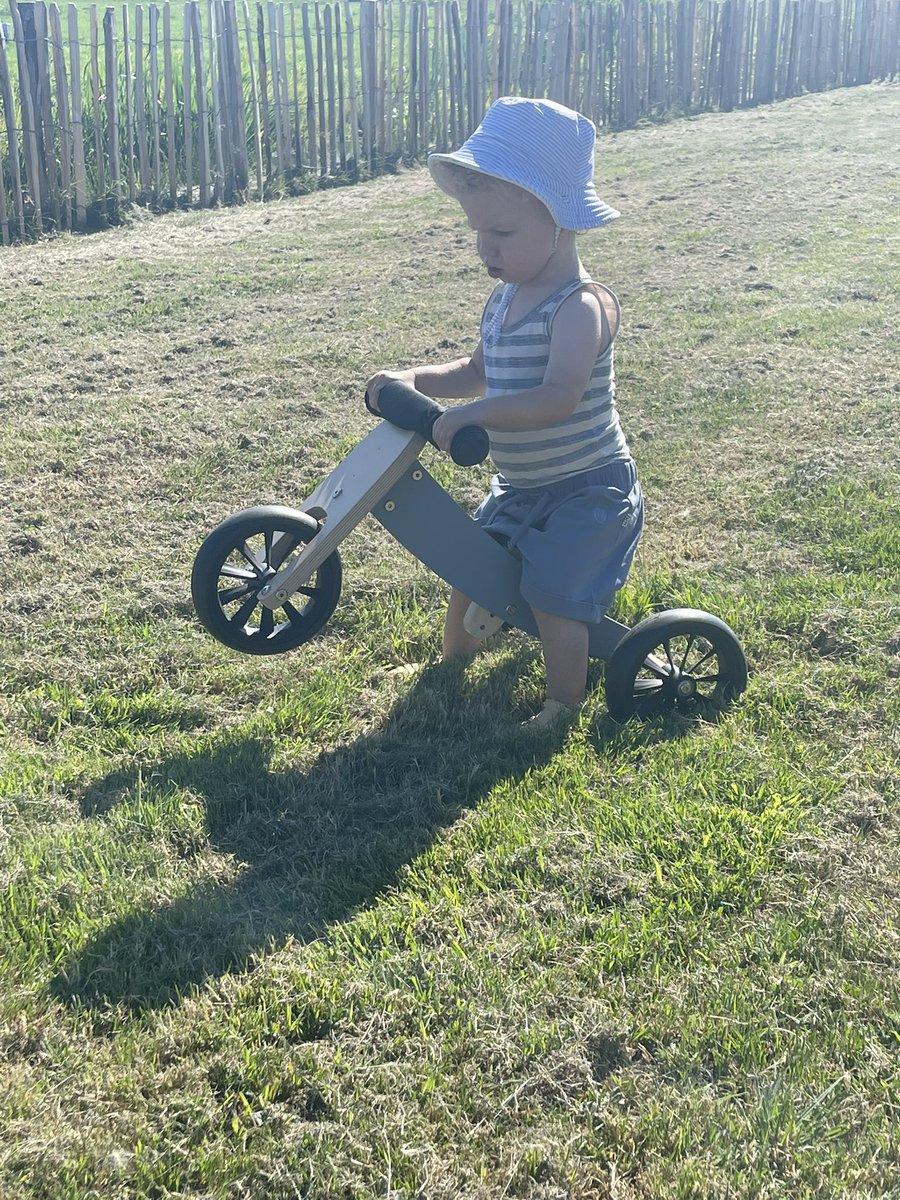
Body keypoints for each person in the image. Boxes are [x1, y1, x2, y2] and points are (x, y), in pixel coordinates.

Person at [366, 96, 643, 729]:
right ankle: (454, 658)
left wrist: (477, 418)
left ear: (562, 221)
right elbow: (474, 373)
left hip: (585, 491)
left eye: (504, 234)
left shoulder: (581, 307)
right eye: (478, 233)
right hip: (520, 486)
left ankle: (562, 705)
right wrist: (411, 377)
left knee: (554, 600)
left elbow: (558, 397)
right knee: (470, 565)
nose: (485, 249)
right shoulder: (504, 299)